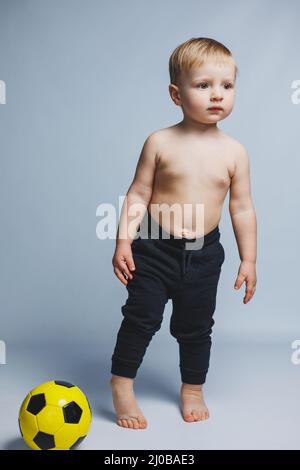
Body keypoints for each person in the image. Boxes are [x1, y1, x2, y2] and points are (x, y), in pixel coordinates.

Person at [110, 37, 257, 429]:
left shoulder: (234, 152)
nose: (217, 95)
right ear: (177, 94)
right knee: (141, 318)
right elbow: (138, 193)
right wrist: (123, 240)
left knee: (196, 326)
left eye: (226, 86)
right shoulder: (160, 142)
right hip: (153, 248)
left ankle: (192, 387)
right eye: (203, 85)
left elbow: (241, 207)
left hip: (204, 254)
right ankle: (122, 383)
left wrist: (249, 259)